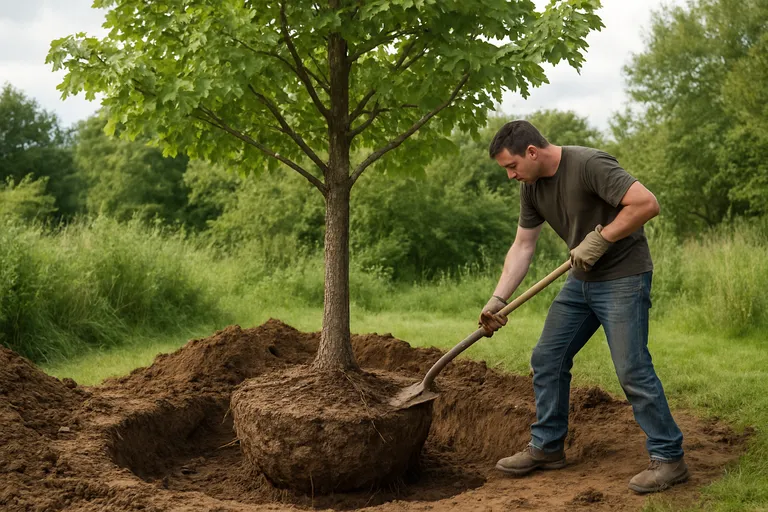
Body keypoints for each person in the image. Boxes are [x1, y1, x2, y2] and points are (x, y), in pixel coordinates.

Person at [479, 120, 687, 494]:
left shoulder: (590, 164)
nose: (511, 176)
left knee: (632, 368)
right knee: (547, 358)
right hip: (581, 281)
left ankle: (669, 457)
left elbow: (646, 203)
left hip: (623, 276)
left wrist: (602, 238)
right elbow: (523, 246)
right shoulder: (532, 187)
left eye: (512, 167)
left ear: (531, 152)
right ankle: (547, 447)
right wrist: (499, 298)